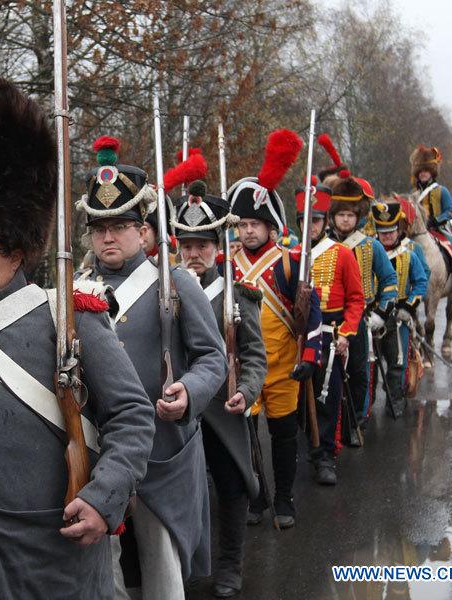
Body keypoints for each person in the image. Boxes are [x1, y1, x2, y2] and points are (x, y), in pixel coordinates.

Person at [0, 79, 155, 600]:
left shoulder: (67, 316)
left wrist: (102, 497)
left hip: (38, 562)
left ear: (17, 251)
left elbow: (132, 416)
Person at [74, 137, 226, 600]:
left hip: (163, 452)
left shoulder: (174, 283)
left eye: (120, 225)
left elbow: (213, 357)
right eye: (99, 227)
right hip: (99, 453)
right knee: (105, 573)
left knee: (162, 572)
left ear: (142, 231)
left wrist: (188, 392)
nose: (107, 237)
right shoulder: (76, 290)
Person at [227, 129, 321, 528]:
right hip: (245, 369)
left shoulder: (289, 262)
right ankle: (257, 495)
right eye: (243, 223)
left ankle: (284, 498)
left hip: (284, 368)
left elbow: (312, 315)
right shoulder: (226, 263)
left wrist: (311, 358)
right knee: (245, 438)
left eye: (256, 223)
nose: (248, 230)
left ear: (271, 226)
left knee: (283, 438)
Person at [176, 194, 266, 598]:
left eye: (203, 245)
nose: (194, 254)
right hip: (179, 410)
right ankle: (183, 563)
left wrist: (246, 393)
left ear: (217, 248)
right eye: (187, 245)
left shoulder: (237, 295)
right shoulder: (168, 289)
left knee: (231, 489)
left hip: (223, 408)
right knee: (181, 493)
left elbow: (254, 355)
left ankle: (230, 566)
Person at [297, 176, 365, 484]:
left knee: (328, 397)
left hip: (330, 333)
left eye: (316, 220)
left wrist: (347, 334)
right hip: (296, 335)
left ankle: (324, 456)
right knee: (296, 397)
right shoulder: (292, 254)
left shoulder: (342, 253)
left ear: (325, 222)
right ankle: (305, 445)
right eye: (304, 220)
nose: (310, 225)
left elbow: (356, 299)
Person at [323, 169, 396, 435]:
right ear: (333, 216)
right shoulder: (323, 245)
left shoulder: (371, 246)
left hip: (361, 319)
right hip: (328, 319)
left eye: (350, 215)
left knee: (359, 371)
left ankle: (356, 419)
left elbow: (389, 281)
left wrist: (379, 314)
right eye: (341, 214)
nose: (345, 219)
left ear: (358, 216)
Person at [371, 201, 428, 415]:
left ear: (398, 230)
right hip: (373, 315)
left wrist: (408, 307)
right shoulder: (369, 253)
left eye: (391, 231)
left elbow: (421, 282)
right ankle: (366, 409)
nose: (386, 236)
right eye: (382, 232)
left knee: (398, 362)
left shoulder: (410, 254)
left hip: (399, 316)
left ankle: (395, 401)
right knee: (369, 365)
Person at [411, 145, 452, 298]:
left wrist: (436, 220)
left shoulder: (441, 190)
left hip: (439, 229)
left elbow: (450, 211)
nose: (423, 174)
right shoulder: (414, 194)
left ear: (431, 172)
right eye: (421, 171)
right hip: (418, 231)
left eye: (426, 171)